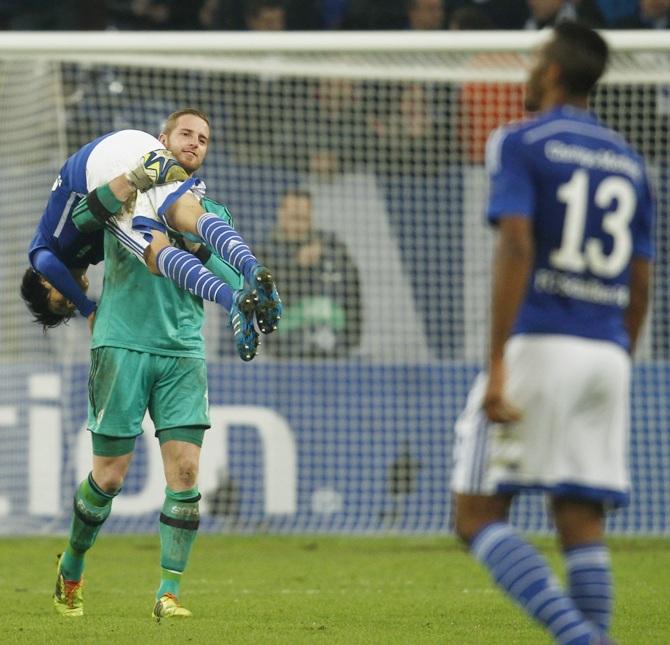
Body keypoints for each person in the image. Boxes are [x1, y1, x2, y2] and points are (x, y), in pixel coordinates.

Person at [451, 22, 654, 645]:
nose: (527, 70)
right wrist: (621, 349)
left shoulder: (521, 141)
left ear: (555, 73)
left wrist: (498, 362)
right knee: (580, 517)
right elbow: (643, 272)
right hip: (608, 351)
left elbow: (516, 245)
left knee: (474, 513)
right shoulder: (629, 158)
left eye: (535, 59)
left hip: (541, 341)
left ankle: (583, 638)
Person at [50, 110, 274, 620]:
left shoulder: (208, 211)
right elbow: (84, 218)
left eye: (204, 139)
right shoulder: (125, 189)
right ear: (162, 141)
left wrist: (246, 291)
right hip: (122, 343)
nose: (195, 143)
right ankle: (72, 565)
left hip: (182, 350)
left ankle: (168, 592)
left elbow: (220, 264)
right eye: (186, 134)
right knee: (108, 478)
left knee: (187, 471)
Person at [22, 109, 282, 359]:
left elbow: (53, 256)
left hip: (100, 169)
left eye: (59, 303)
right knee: (187, 213)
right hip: (137, 144)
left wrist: (88, 310)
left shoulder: (41, 252)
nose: (70, 304)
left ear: (44, 282)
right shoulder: (91, 253)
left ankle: (233, 301)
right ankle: (254, 269)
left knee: (154, 253)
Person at [257, 188, 362, 358]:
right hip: (286, 353)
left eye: (304, 219)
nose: (299, 225)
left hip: (335, 352)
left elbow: (353, 290)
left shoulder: (333, 247)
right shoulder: (265, 253)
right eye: (294, 218)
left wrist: (352, 341)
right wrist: (296, 266)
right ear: (281, 215)